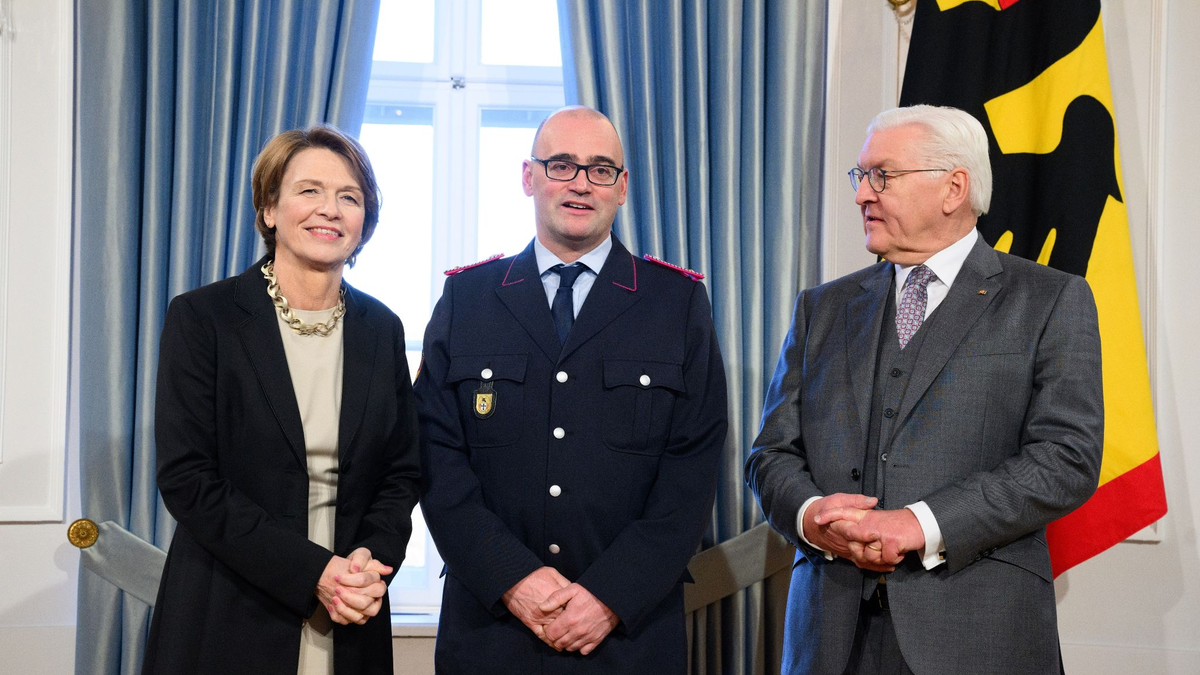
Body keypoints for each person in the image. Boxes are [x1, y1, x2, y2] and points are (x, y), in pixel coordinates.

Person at [745, 105, 1103, 675]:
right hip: (830, 636)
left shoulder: (1049, 300)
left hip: (979, 635)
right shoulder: (823, 308)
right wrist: (811, 515)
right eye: (860, 175)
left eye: (881, 175)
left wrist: (921, 523)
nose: (862, 194)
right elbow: (771, 453)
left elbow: (1067, 459)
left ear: (953, 188)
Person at [414, 105, 728, 673]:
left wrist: (609, 596)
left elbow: (692, 468)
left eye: (600, 169)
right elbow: (436, 457)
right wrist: (513, 579)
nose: (581, 183)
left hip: (628, 636)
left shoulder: (676, 303)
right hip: (491, 630)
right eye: (561, 165)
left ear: (622, 187)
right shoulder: (469, 298)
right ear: (529, 176)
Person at [143, 126, 421, 675]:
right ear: (269, 208)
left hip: (352, 612)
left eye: (349, 197)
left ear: (365, 221)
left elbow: (402, 472)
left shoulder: (382, 328)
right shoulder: (204, 318)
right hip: (229, 608)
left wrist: (369, 563)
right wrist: (314, 572)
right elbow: (188, 478)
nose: (330, 209)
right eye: (309, 190)